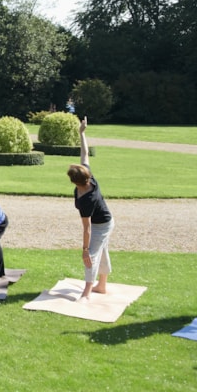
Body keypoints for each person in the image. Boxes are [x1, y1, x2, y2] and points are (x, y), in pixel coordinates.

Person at [67, 117, 114, 301]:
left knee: (91, 257)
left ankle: (86, 293)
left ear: (74, 181)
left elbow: (87, 228)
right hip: (105, 221)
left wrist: (85, 249)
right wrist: (82, 133)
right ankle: (101, 286)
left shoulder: (87, 199)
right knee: (102, 251)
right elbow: (85, 154)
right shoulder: (89, 178)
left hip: (101, 225)